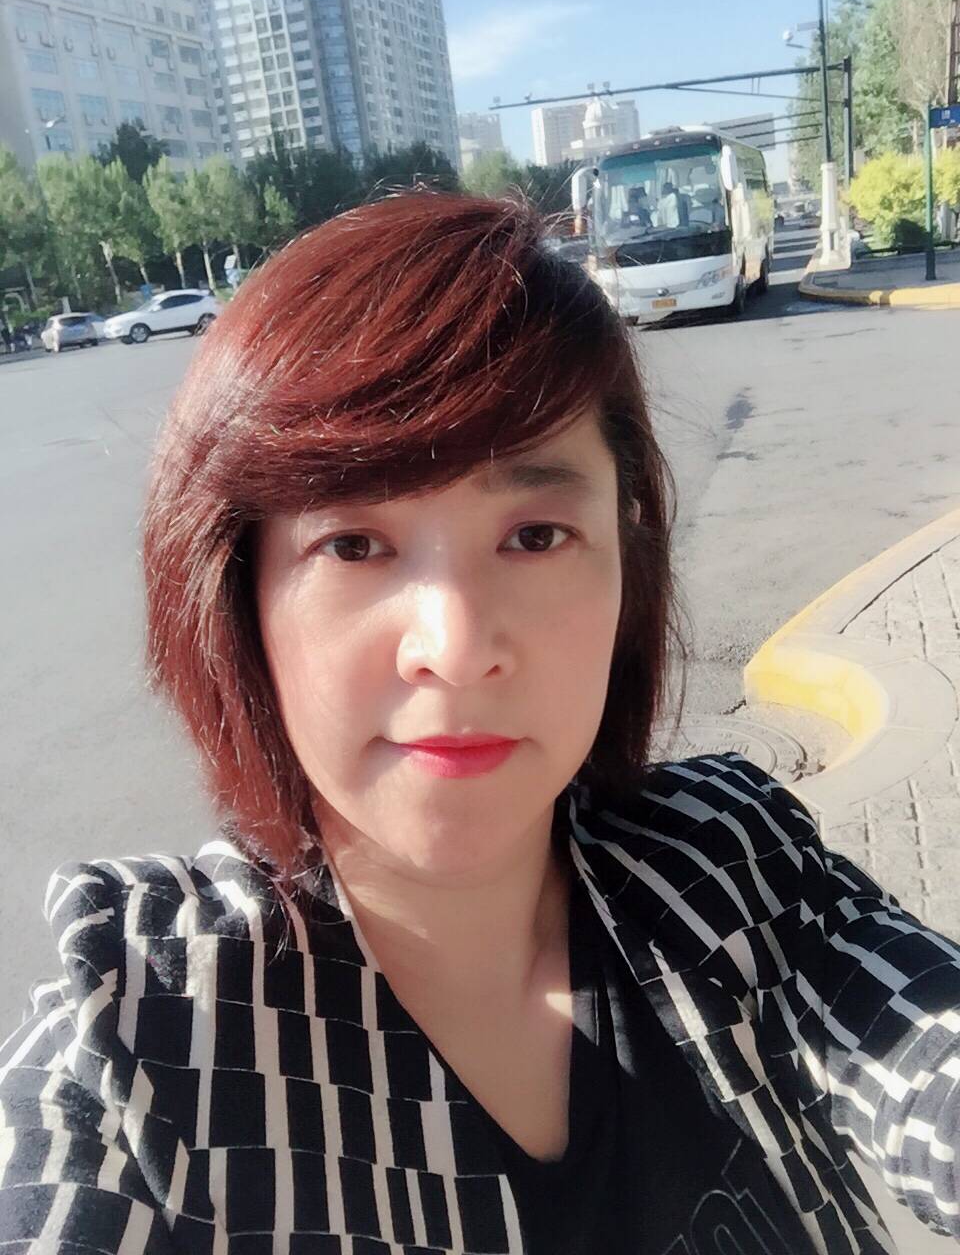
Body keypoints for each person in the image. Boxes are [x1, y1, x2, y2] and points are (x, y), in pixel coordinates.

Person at [1, 191, 959, 1255]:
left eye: (535, 534)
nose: (454, 647)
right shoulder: (146, 1047)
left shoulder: (732, 867)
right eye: (353, 545)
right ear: (241, 595)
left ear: (626, 558)